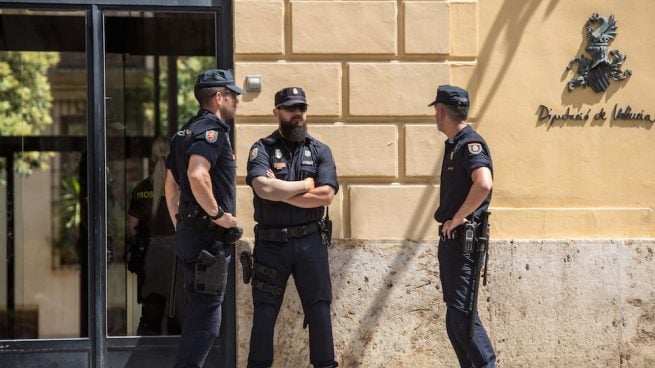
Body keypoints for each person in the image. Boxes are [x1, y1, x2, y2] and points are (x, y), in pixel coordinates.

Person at [245, 87, 339, 368]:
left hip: (311, 242)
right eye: (290, 108)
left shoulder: (320, 150)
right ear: (277, 112)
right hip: (271, 245)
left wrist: (281, 191)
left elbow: (326, 195)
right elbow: (262, 188)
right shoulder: (261, 148)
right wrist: (304, 186)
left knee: (319, 309)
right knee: (264, 312)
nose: (297, 114)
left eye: (301, 108)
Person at [164, 68, 242, 368]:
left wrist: (180, 223)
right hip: (208, 239)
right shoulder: (213, 131)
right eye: (232, 95)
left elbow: (170, 186)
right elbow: (197, 175)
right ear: (219, 97)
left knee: (197, 310)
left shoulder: (185, 130)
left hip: (189, 233)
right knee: (207, 316)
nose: (236, 100)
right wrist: (218, 215)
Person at [430, 85, 496, 367]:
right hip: (454, 243)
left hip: (462, 242)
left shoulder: (470, 144)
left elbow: (484, 182)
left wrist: (458, 217)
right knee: (455, 321)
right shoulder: (457, 144)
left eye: (436, 111)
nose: (435, 116)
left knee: (463, 319)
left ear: (442, 111)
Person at [126, 137, 184, 335]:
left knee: (151, 311)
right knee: (177, 311)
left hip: (151, 255)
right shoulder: (181, 187)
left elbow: (132, 225)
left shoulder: (141, 189)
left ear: (151, 157)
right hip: (177, 255)